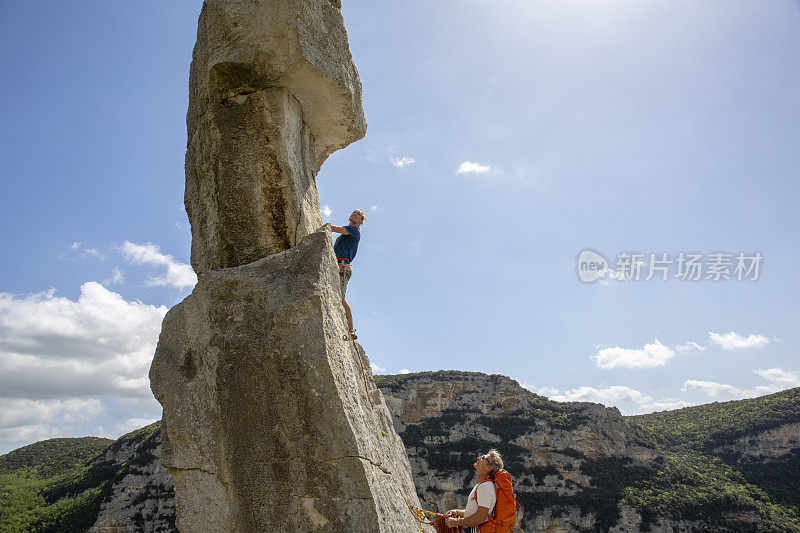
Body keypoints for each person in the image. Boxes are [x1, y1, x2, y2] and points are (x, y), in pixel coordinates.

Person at [444, 450, 502, 531]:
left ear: (489, 468)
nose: (478, 458)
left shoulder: (485, 487)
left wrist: (457, 522)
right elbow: (474, 512)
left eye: (483, 458)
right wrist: (457, 512)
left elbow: (480, 518)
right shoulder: (483, 485)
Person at [330, 209, 366, 339]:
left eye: (358, 214)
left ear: (361, 221)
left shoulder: (353, 230)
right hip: (338, 265)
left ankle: (351, 329)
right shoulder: (349, 232)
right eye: (353, 212)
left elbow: (335, 228)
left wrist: (324, 227)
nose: (354, 214)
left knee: (340, 297)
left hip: (343, 266)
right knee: (336, 295)